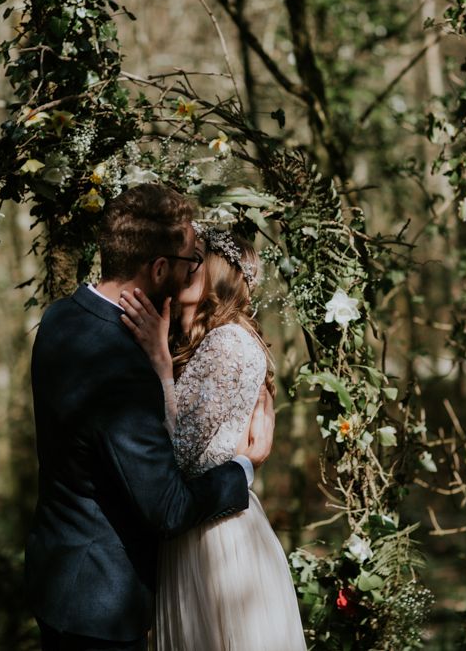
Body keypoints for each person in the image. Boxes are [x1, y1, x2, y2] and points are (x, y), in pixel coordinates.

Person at [25, 184, 274, 651]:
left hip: (56, 577)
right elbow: (169, 508)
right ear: (159, 268)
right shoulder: (122, 366)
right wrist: (246, 465)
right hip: (102, 605)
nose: (193, 271)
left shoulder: (60, 318)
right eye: (189, 262)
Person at [119, 223, 306, 650]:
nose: (185, 269)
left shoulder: (228, 342)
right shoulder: (197, 342)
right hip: (191, 530)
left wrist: (162, 368)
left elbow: (178, 456)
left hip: (217, 540)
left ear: (221, 271)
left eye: (197, 260)